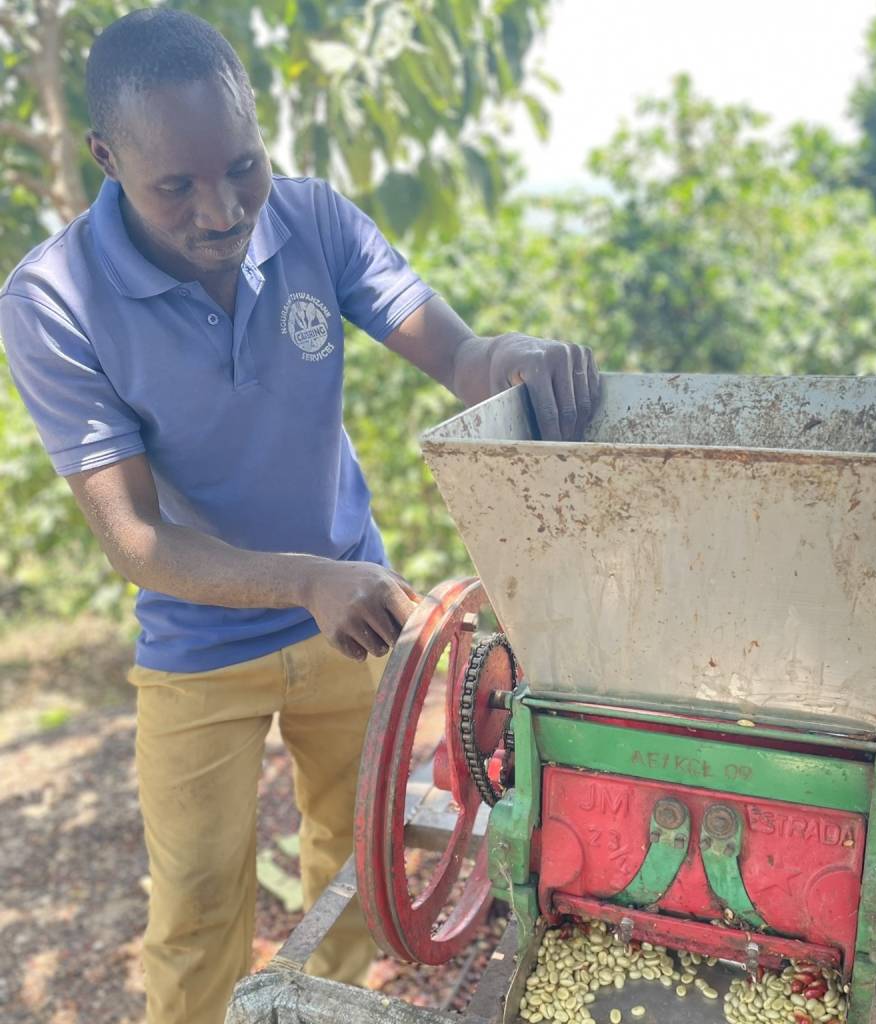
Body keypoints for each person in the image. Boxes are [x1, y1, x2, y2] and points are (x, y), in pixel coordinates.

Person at [0, 9, 600, 1024]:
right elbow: (134, 540)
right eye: (176, 187)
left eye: (242, 167)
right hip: (201, 646)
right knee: (196, 904)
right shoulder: (53, 298)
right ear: (105, 158)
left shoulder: (316, 220)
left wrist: (512, 359)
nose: (223, 210)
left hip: (354, 621)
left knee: (355, 867)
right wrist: (302, 580)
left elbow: (458, 357)